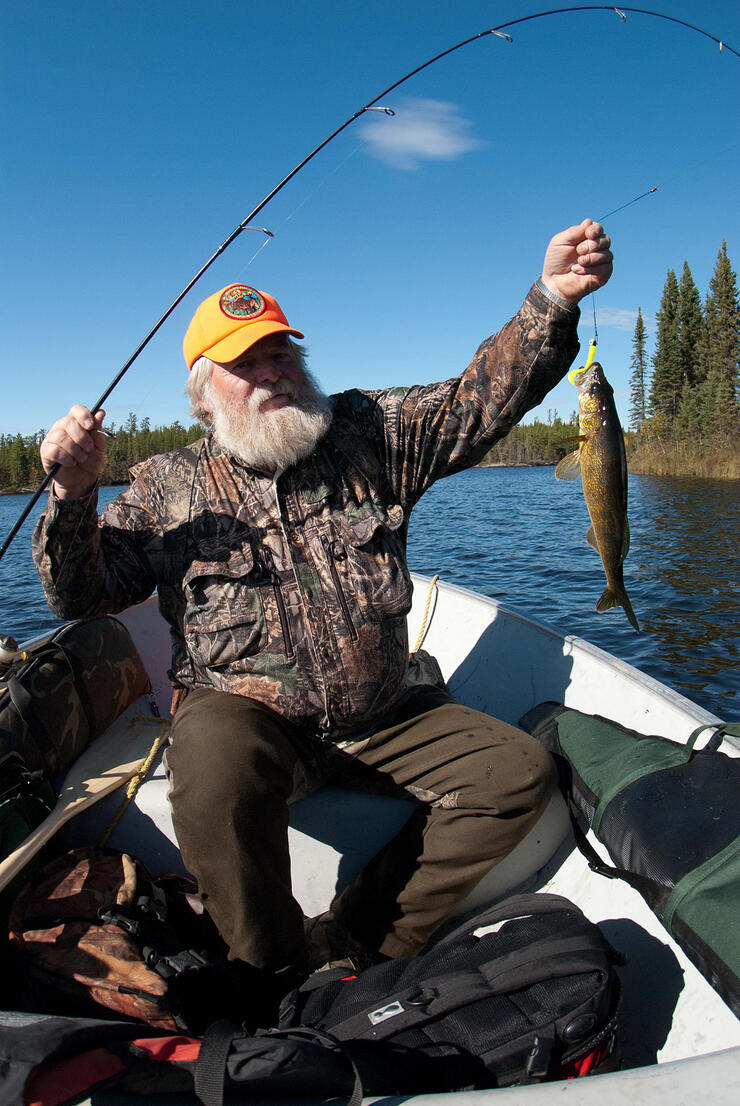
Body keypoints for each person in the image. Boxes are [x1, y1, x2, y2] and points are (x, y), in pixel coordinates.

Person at [34, 218, 613, 1022]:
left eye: (282, 352)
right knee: (213, 755)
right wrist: (69, 500)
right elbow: (81, 595)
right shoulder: (164, 484)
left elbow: (479, 399)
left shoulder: (368, 433)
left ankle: (355, 938)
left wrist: (553, 296)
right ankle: (263, 967)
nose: (272, 371)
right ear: (206, 393)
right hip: (249, 720)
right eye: (246, 362)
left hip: (384, 711)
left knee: (517, 775)